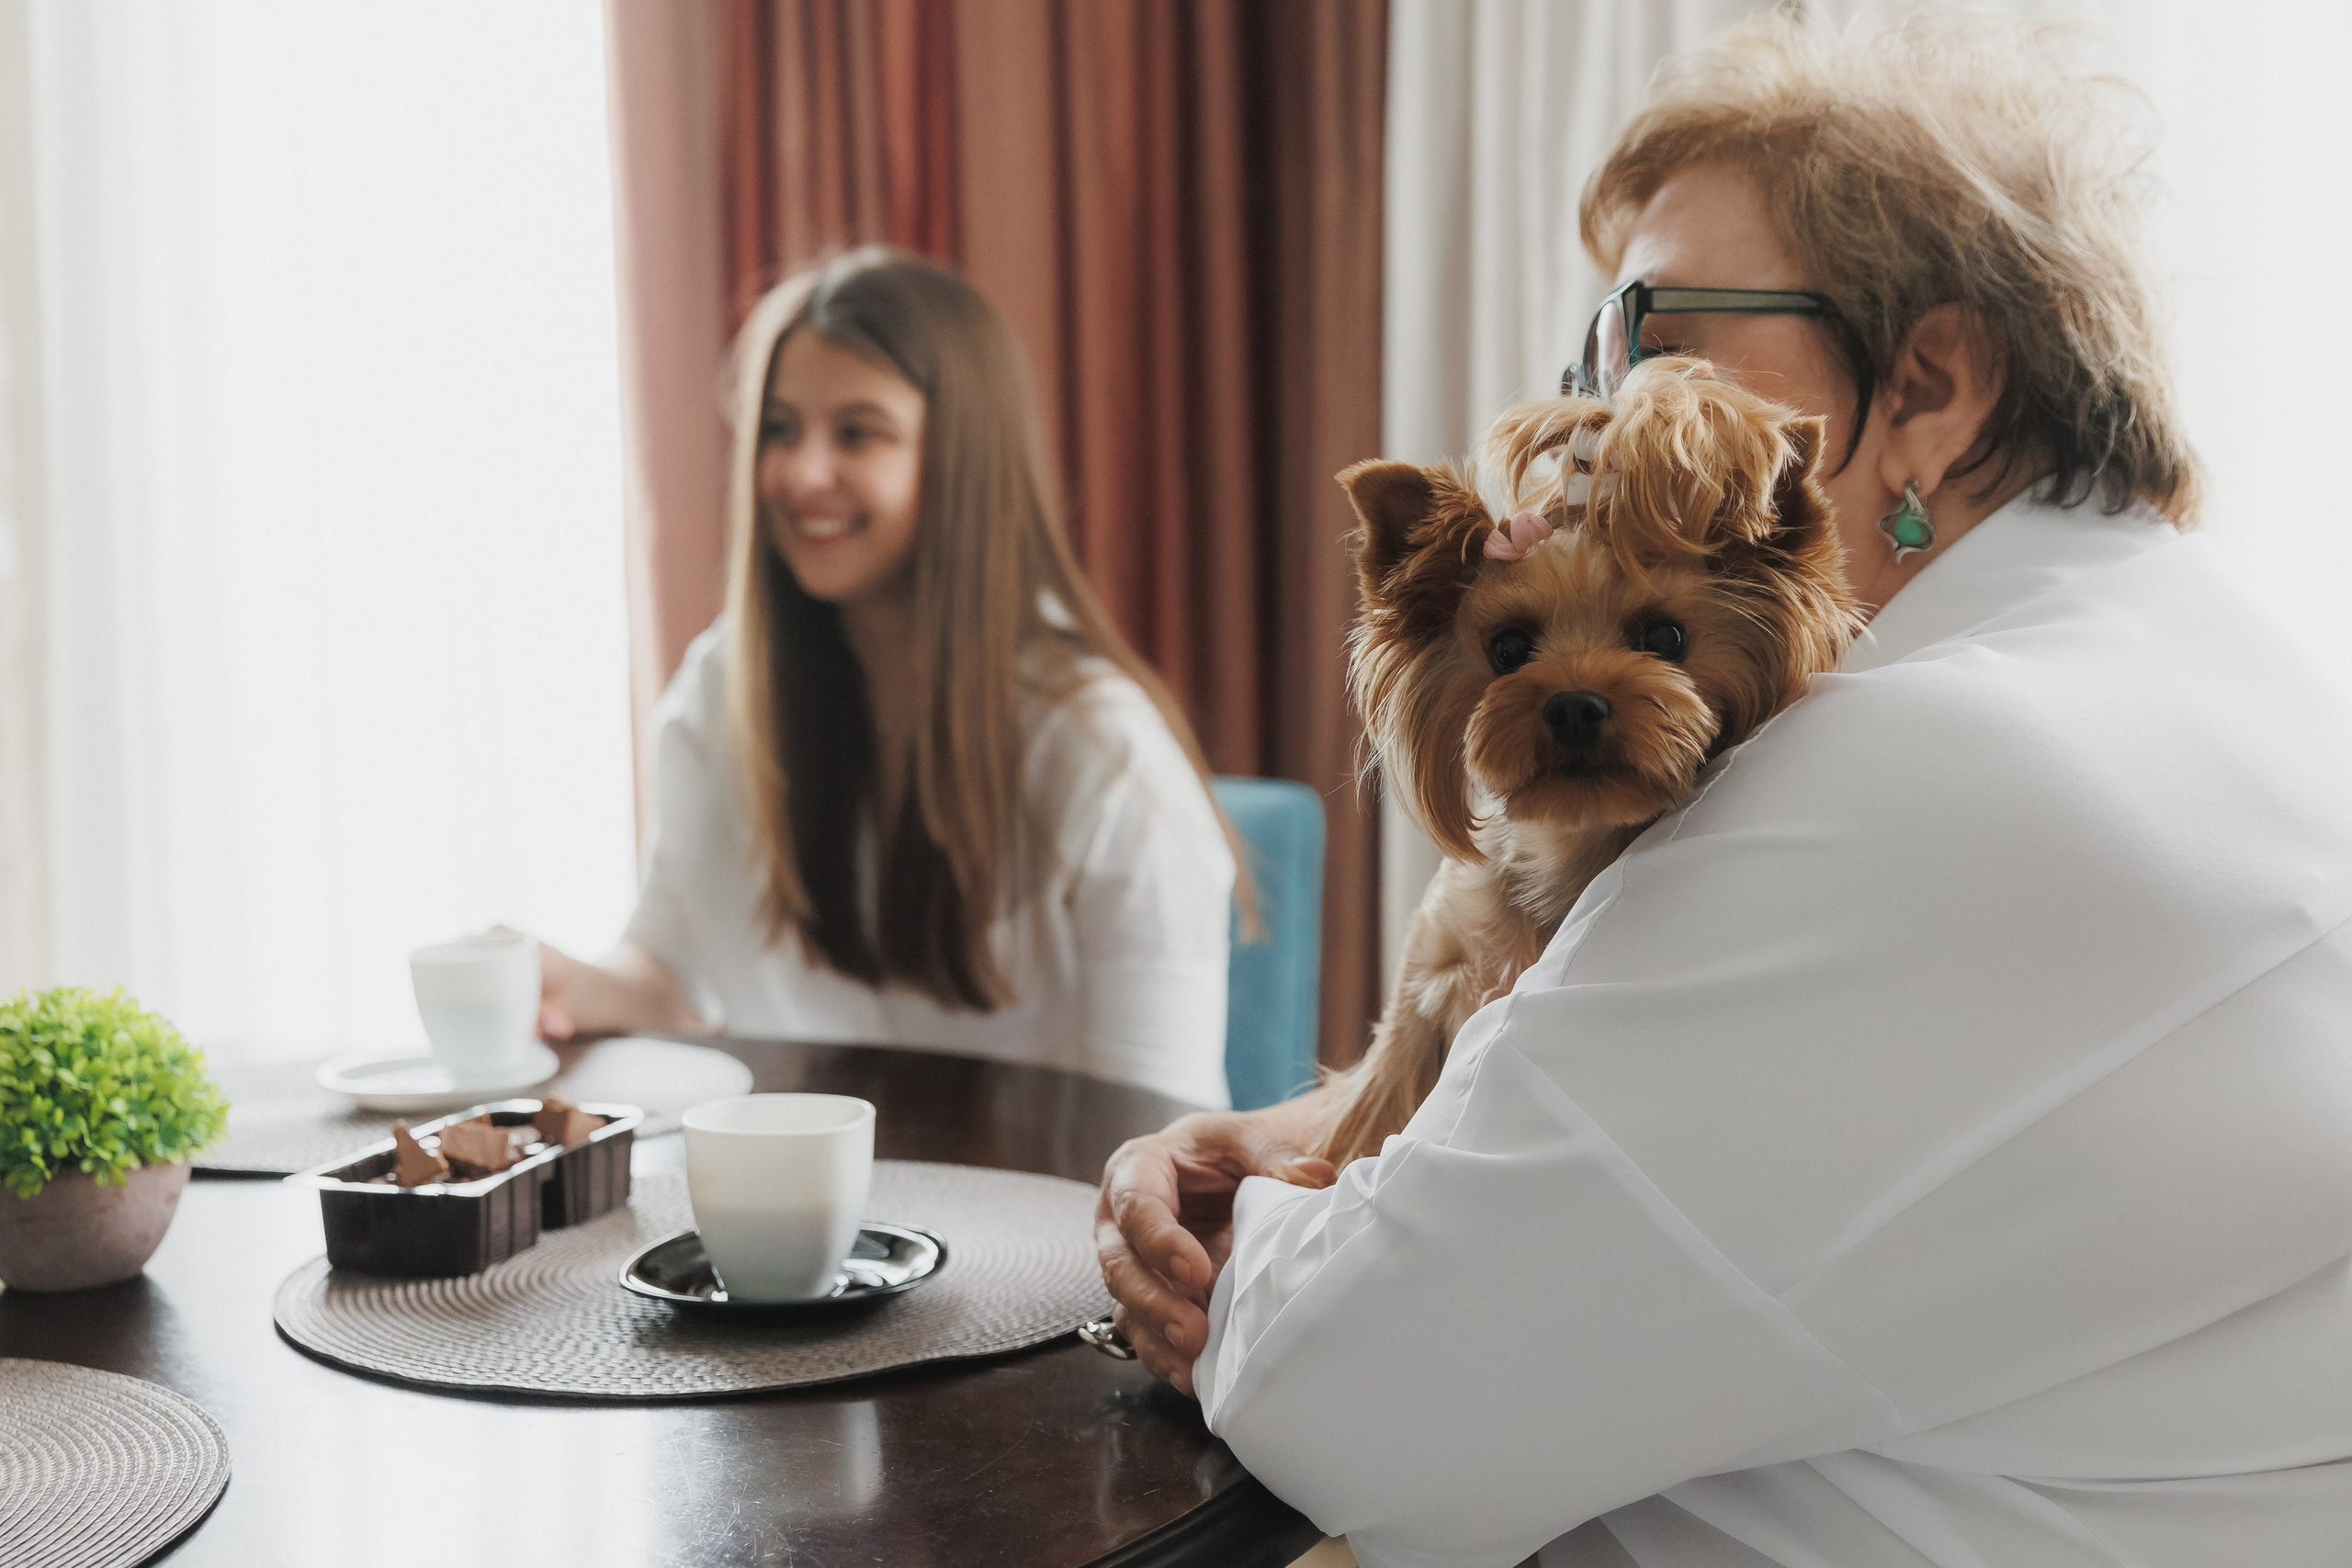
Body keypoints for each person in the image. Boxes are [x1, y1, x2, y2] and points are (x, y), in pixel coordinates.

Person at [1098, 15, 2352, 1566]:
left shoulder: (1914, 773)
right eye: (1594, 352)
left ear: (1933, 382)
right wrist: (1321, 1135)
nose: (1608, 404)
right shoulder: (2197, 660)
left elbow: (1351, 1397)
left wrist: (1245, 1225)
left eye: (1655, 329)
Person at [539, 248, 1236, 1110]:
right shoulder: (724, 692)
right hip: (802, 1229)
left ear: (959, 462)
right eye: (781, 429)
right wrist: (559, 986)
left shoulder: (1101, 750)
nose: (800, 474)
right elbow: (671, 973)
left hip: (1043, 1229)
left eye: (857, 433)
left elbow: (1164, 1138)